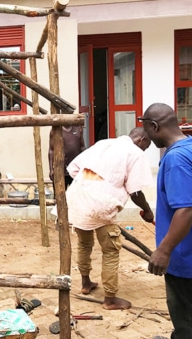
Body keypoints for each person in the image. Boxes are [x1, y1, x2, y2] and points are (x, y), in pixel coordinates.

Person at [65, 127, 155, 310]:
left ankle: (85, 283)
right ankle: (110, 298)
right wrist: (147, 211)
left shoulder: (104, 143)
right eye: (147, 146)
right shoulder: (135, 152)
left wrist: (94, 184)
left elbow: (74, 169)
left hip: (78, 198)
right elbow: (135, 191)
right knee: (111, 250)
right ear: (142, 140)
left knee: (84, 244)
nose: (145, 150)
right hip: (101, 205)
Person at [140, 103, 192, 339]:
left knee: (185, 320)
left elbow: (186, 209)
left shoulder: (176, 159)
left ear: (154, 126)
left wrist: (164, 250)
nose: (148, 138)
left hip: (184, 259)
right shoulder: (189, 148)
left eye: (147, 131)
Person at [48, 125, 86, 189]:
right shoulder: (55, 130)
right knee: (59, 196)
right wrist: (51, 169)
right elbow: (51, 150)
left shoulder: (78, 128)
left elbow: (82, 147)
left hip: (76, 170)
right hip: (60, 170)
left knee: (76, 195)